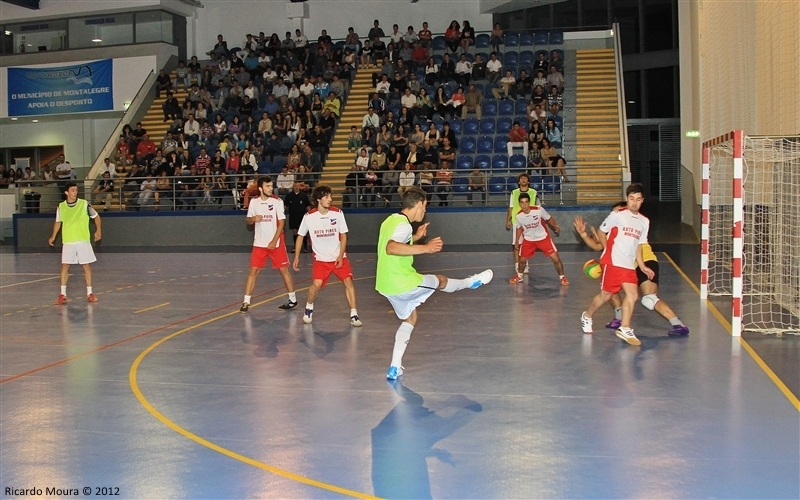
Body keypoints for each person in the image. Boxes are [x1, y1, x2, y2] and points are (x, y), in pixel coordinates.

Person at [377, 188, 493, 380]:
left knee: (410, 317)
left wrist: (416, 238)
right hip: (402, 283)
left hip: (386, 285)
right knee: (440, 280)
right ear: (418, 204)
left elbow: (394, 241)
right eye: (425, 206)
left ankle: (394, 367)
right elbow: (391, 248)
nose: (425, 210)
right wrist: (426, 247)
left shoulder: (390, 220)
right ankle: (471, 282)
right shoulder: (404, 226)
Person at [573, 204, 690, 336]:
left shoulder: (636, 225)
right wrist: (583, 234)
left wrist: (642, 266)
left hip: (645, 261)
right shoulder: (614, 229)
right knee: (610, 291)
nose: (616, 213)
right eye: (614, 212)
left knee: (649, 298)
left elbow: (633, 246)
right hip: (624, 265)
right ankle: (620, 319)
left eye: (619, 210)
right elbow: (598, 246)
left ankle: (677, 324)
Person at [580, 183, 654, 346]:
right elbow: (601, 232)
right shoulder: (617, 215)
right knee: (606, 295)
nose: (634, 202)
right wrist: (608, 249)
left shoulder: (644, 221)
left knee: (633, 295)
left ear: (642, 200)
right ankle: (587, 315)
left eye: (638, 199)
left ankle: (625, 328)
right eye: (631, 198)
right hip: (612, 261)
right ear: (627, 198)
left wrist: (642, 265)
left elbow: (639, 244)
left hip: (628, 264)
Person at [291, 185, 362, 327]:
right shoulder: (309, 217)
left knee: (348, 282)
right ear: (319, 199)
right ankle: (309, 308)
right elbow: (300, 236)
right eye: (326, 196)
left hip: (338, 257)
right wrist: (297, 256)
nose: (330, 199)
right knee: (316, 285)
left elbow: (344, 236)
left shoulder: (337, 213)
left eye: (330, 196)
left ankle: (354, 314)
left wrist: (340, 256)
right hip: (320, 260)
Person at [240, 176, 298, 312]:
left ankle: (293, 299)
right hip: (259, 243)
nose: (271, 188)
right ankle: (246, 301)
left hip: (276, 243)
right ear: (260, 188)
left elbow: (282, 223)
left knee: (284, 270)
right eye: (267, 186)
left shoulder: (277, 201)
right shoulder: (254, 202)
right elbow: (248, 220)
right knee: (253, 271)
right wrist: (253, 219)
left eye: (271, 186)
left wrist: (273, 241)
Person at [49, 182, 102, 304]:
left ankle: (90, 293)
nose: (75, 192)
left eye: (76, 190)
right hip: (68, 241)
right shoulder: (61, 207)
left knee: (86, 266)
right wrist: (53, 236)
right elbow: (58, 222)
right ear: (66, 192)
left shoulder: (84, 204)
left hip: (83, 240)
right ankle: (62, 294)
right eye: (72, 190)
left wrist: (98, 230)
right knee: (65, 266)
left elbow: (96, 217)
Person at [510, 192, 568, 286]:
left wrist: (555, 226)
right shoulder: (519, 216)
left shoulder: (539, 210)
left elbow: (549, 218)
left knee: (555, 258)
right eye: (522, 202)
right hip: (529, 240)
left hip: (543, 238)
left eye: (526, 202)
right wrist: (517, 240)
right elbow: (519, 228)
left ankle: (562, 277)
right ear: (519, 204)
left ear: (529, 202)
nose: (524, 205)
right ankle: (519, 276)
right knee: (522, 260)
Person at [506, 173, 538, 276]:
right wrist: (508, 220)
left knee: (526, 244)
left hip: (529, 222)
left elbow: (537, 207)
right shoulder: (514, 192)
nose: (523, 180)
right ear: (519, 182)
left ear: (528, 181)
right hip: (517, 221)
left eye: (525, 178)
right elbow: (511, 207)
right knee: (517, 244)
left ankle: (525, 265)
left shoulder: (533, 192)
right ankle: (517, 265)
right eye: (521, 178)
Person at [284, 180, 311, 252]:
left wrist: (310, 215)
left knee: (304, 232)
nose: (296, 187)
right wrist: (282, 214)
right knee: (295, 231)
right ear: (293, 186)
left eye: (298, 186)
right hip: (293, 216)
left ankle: (305, 248)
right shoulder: (289, 196)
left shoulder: (304, 196)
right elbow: (285, 206)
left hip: (302, 216)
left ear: (300, 187)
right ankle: (295, 247)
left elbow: (308, 206)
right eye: (295, 186)